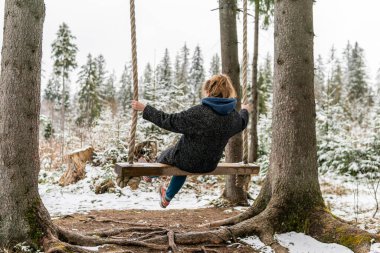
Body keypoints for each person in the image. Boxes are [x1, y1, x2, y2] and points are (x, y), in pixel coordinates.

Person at [131, 74, 252, 208]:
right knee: (183, 165)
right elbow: (242, 122)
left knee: (170, 155)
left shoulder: (198, 113)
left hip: (186, 160)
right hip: (209, 164)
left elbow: (169, 121)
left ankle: (149, 175)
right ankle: (167, 197)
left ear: (209, 91)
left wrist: (145, 109)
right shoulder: (233, 117)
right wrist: (245, 110)